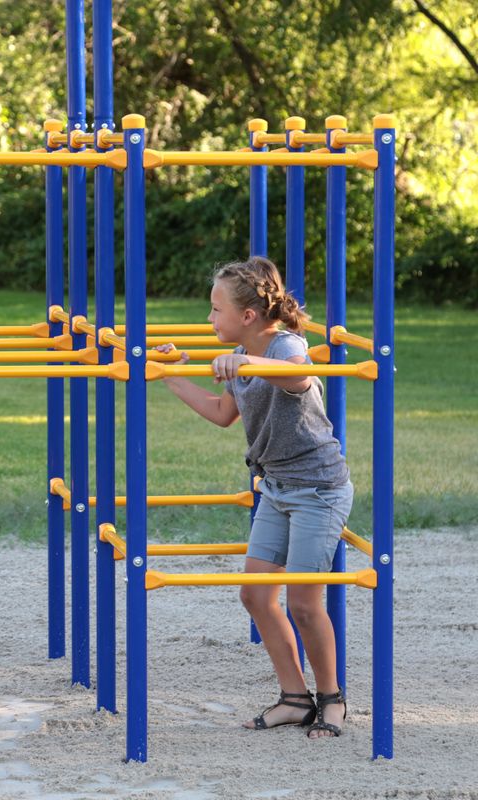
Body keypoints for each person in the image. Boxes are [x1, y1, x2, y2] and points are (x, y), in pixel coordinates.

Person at [156, 256, 353, 739]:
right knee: (256, 596)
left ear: (247, 315)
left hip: (317, 489)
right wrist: (169, 374)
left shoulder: (286, 346)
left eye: (215, 309)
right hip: (276, 486)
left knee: (304, 603)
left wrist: (246, 363)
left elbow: (297, 377)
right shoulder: (241, 354)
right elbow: (222, 413)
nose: (209, 318)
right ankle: (295, 699)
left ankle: (332, 700)